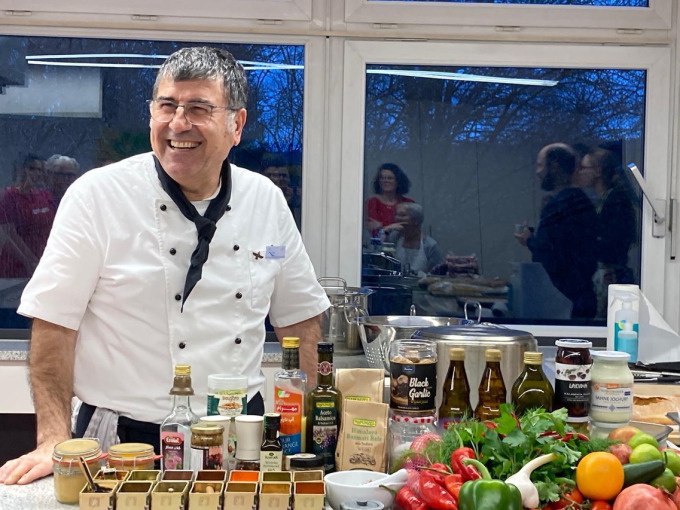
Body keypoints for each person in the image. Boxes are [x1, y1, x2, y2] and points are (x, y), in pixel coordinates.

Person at [0, 46, 330, 485]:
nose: (178, 124)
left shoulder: (265, 199)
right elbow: (54, 324)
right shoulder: (97, 196)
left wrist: (308, 432)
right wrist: (51, 438)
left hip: (241, 441)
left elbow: (300, 321)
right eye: (167, 106)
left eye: (198, 108)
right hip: (121, 443)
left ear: (237, 124)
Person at [515, 143, 598, 319]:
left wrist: (530, 240)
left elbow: (550, 254)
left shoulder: (561, 205)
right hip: (579, 295)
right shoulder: (580, 202)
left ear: (554, 166)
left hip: (566, 300)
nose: (538, 172)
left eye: (540, 165)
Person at [580, 146, 636, 317]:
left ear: (598, 171)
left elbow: (613, 242)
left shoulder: (616, 201)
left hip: (611, 273)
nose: (580, 173)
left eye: (584, 168)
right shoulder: (604, 199)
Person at [0, 155, 56, 278]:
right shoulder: (9, 197)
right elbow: (9, 235)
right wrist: (30, 262)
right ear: (22, 170)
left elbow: (54, 229)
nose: (37, 174)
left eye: (40, 170)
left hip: (42, 267)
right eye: (32, 169)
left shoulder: (44, 196)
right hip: (15, 271)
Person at [384, 202, 443, 275]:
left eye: (402, 215)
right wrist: (385, 233)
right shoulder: (394, 238)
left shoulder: (430, 246)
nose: (397, 218)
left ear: (416, 220)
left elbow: (439, 274)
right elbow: (384, 260)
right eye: (396, 215)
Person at [365, 162, 414, 236]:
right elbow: (373, 231)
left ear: (398, 181)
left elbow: (410, 229)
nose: (385, 181)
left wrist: (382, 226)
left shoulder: (408, 203)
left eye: (390, 178)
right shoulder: (372, 203)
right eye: (382, 178)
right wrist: (393, 227)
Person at [262, 157, 301, 225]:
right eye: (275, 175)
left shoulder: (296, 200)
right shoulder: (258, 198)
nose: (280, 179)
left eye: (284, 176)